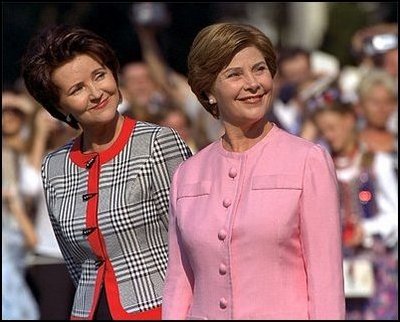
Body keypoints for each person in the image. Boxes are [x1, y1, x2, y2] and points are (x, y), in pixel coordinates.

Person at [162, 22, 345, 320]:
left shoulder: (308, 160)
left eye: (259, 70)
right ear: (208, 90)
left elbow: (326, 283)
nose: (253, 83)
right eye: (235, 74)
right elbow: (179, 282)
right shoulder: (187, 174)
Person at [21, 24, 192, 320]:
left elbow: (190, 239)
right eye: (77, 89)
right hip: (88, 312)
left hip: (159, 309)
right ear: (59, 107)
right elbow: (75, 260)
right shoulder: (54, 166)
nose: (96, 92)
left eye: (99, 75)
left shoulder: (158, 142)